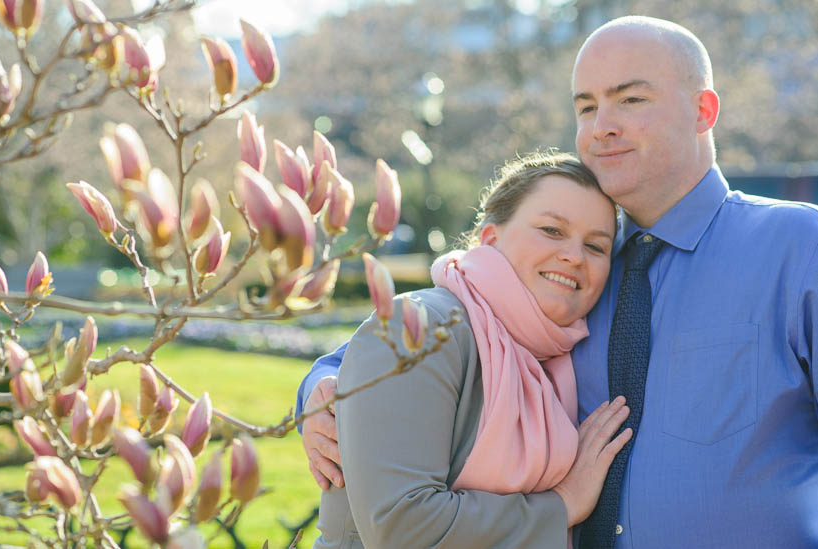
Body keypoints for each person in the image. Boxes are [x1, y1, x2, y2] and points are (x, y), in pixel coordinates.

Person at [299, 15, 818, 548]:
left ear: (703, 110)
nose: (601, 126)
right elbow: (426, 328)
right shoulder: (575, 272)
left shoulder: (800, 247)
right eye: (586, 107)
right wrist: (316, 391)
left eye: (630, 100)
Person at [314, 152, 630, 548]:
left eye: (596, 247)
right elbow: (401, 528)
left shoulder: (554, 357)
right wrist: (562, 506)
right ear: (491, 239)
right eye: (552, 230)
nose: (574, 255)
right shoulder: (420, 328)